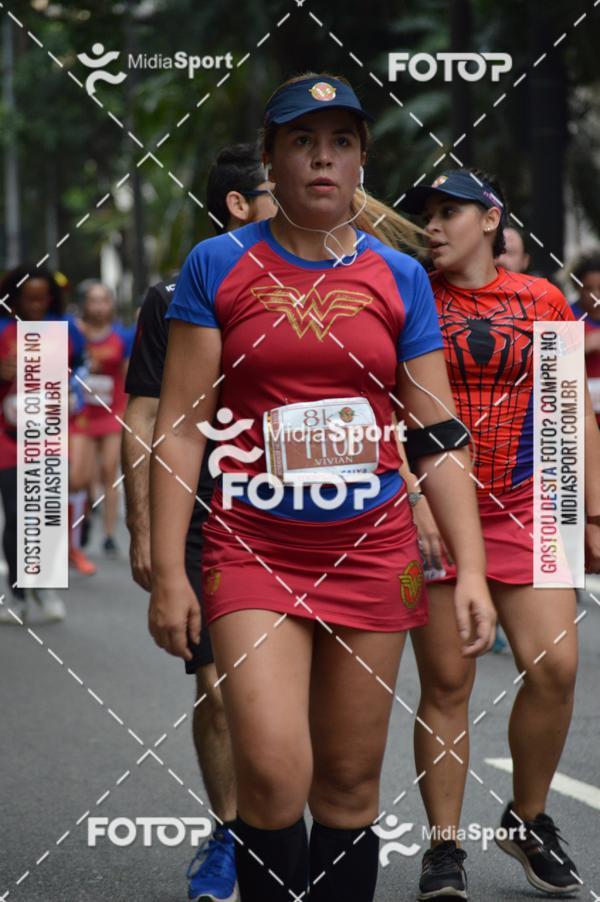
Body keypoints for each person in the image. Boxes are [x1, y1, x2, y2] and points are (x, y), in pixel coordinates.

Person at [148, 74, 495, 902]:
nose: (322, 159)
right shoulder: (218, 264)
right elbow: (184, 425)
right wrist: (168, 570)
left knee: (346, 786)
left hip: (373, 550)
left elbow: (439, 432)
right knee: (272, 772)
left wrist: (473, 569)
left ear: (361, 161)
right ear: (272, 159)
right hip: (252, 547)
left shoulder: (400, 277)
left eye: (340, 142)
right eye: (303, 142)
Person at [398, 168, 600, 899]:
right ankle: (444, 849)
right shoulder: (406, 296)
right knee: (448, 682)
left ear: (489, 220)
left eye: (449, 212)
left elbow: (572, 410)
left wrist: (594, 511)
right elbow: (388, 407)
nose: (433, 226)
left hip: (529, 503)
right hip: (436, 511)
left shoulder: (541, 300)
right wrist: (413, 495)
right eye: (426, 215)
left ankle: (528, 817)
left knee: (556, 668)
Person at [122, 142, 277, 902]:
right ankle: (233, 831)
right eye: (271, 191)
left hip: (306, 515)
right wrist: (145, 530)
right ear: (237, 207)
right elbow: (147, 415)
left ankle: (291, 830)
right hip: (210, 511)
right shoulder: (174, 294)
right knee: (221, 687)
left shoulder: (334, 284)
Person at [0, 264, 86, 625]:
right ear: (15, 298)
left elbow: (82, 370)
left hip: (51, 436)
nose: (38, 304)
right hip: (8, 440)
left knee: (46, 510)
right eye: (30, 298)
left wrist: (73, 394)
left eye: (44, 297)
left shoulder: (65, 330)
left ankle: (46, 588)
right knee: (18, 514)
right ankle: (19, 593)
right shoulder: (3, 331)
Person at [70, 283, 132, 559]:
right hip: (82, 413)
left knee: (109, 470)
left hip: (112, 412)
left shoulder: (123, 336)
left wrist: (128, 411)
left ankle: (108, 536)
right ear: (85, 304)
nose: (98, 306)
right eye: (92, 301)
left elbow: (129, 376)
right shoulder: (75, 332)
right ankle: (87, 510)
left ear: (111, 304)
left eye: (103, 300)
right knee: (79, 476)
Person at [570, 252, 600, 426]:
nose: (595, 295)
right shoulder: (564, 317)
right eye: (589, 288)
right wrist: (582, 346)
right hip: (577, 420)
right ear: (578, 287)